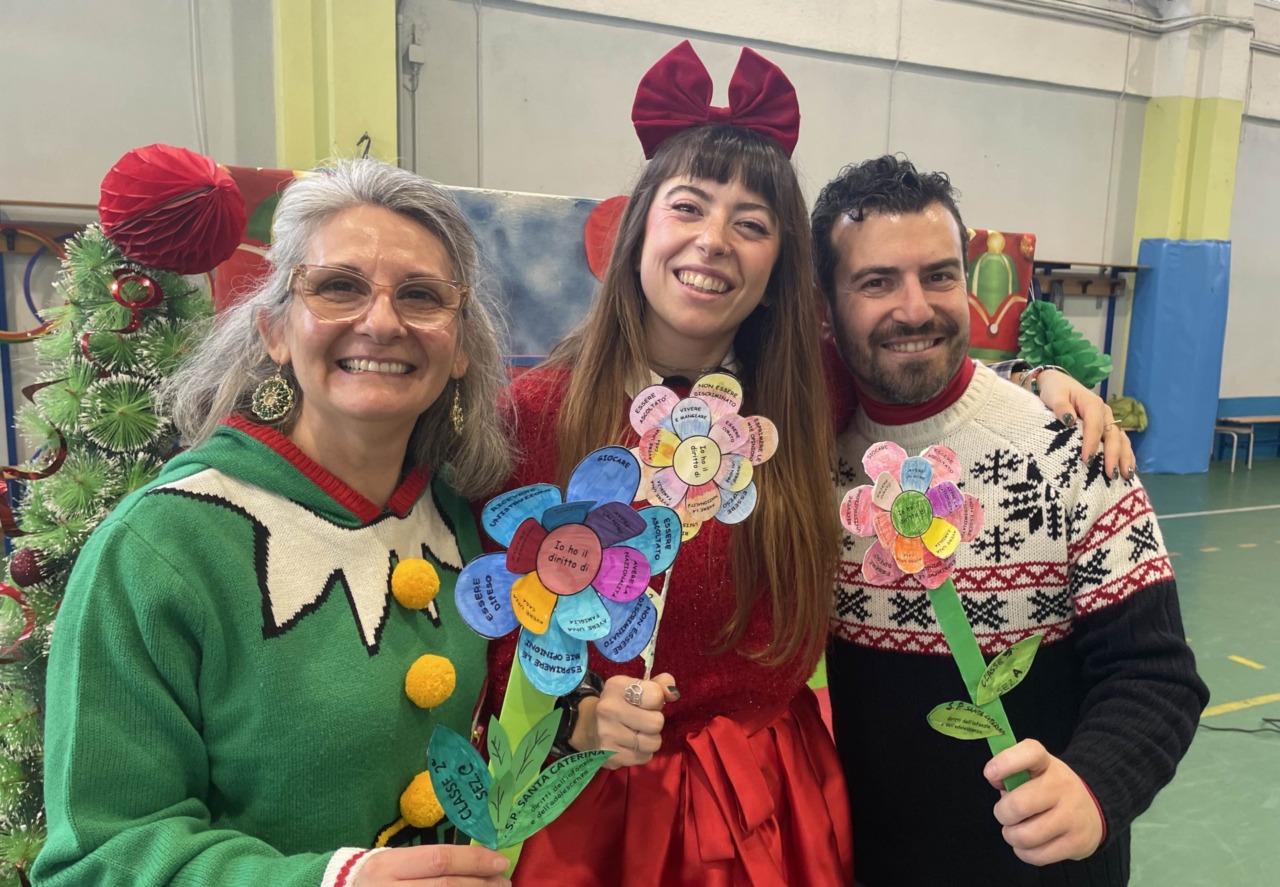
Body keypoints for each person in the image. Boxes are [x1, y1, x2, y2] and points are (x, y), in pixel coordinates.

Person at [483, 43, 1132, 886]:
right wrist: (576, 717)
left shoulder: (805, 395)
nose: (714, 242)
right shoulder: (536, 414)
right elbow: (495, 631)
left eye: (751, 224)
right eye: (688, 208)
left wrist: (1034, 379)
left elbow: (913, 374)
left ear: (778, 264)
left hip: (774, 804)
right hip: (607, 804)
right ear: (639, 223)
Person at [33, 160, 514, 887]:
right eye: (338, 286)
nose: (381, 321)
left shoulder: (456, 519)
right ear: (275, 329)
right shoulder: (159, 548)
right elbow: (96, 858)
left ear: (460, 348)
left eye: (421, 296)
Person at [812, 154, 1208, 886]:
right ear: (826, 306)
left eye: (938, 275)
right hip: (870, 862)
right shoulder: (811, 461)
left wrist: (1095, 785)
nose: (915, 306)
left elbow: (1156, 675)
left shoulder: (1069, 447)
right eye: (876, 282)